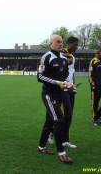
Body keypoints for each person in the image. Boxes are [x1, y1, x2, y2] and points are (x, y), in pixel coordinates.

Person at [37, 35, 74, 164]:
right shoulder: (47, 56)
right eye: (58, 42)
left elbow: (64, 76)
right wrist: (57, 83)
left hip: (60, 93)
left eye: (61, 42)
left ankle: (42, 147)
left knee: (49, 121)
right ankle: (62, 152)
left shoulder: (64, 58)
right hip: (49, 94)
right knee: (59, 120)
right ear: (51, 43)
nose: (60, 44)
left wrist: (68, 85)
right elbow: (40, 77)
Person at [48, 37, 79, 148]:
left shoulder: (72, 57)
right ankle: (54, 133)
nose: (76, 47)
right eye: (74, 45)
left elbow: (72, 73)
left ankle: (65, 140)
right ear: (68, 44)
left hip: (70, 88)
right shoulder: (62, 54)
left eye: (77, 45)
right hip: (62, 88)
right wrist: (66, 62)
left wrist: (74, 85)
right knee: (64, 115)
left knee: (69, 116)